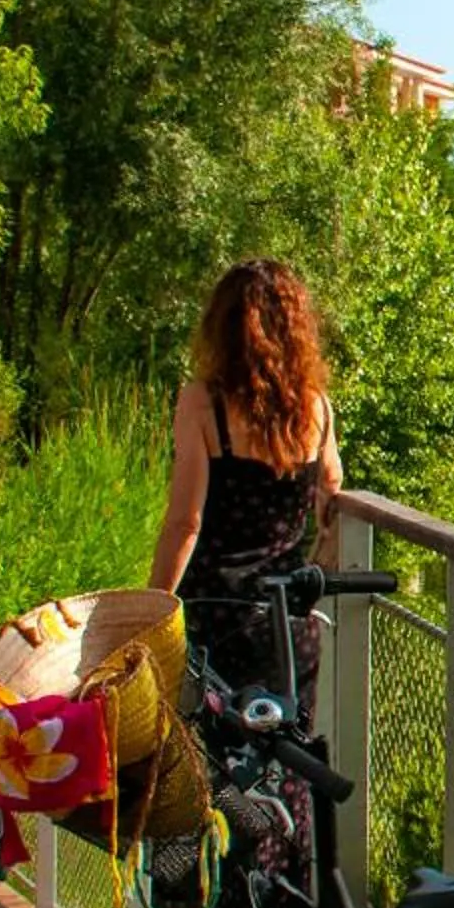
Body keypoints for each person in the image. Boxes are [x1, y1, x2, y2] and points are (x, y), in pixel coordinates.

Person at [149, 259, 345, 711]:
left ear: (222, 327)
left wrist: (152, 609)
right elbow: (331, 484)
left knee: (210, 760)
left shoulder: (202, 403)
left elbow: (185, 522)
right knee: (287, 758)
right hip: (288, 619)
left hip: (217, 616)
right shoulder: (317, 408)